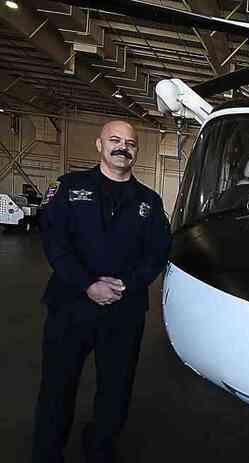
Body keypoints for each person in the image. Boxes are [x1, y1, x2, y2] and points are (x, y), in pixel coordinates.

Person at [32, 120, 171, 463]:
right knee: (57, 387)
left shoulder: (150, 203)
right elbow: (54, 242)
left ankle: (100, 451)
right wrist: (86, 284)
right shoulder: (68, 187)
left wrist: (127, 285)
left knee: (115, 391)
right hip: (70, 305)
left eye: (130, 143)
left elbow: (157, 253)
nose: (123, 147)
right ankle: (47, 453)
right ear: (99, 145)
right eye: (115, 140)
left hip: (124, 311)